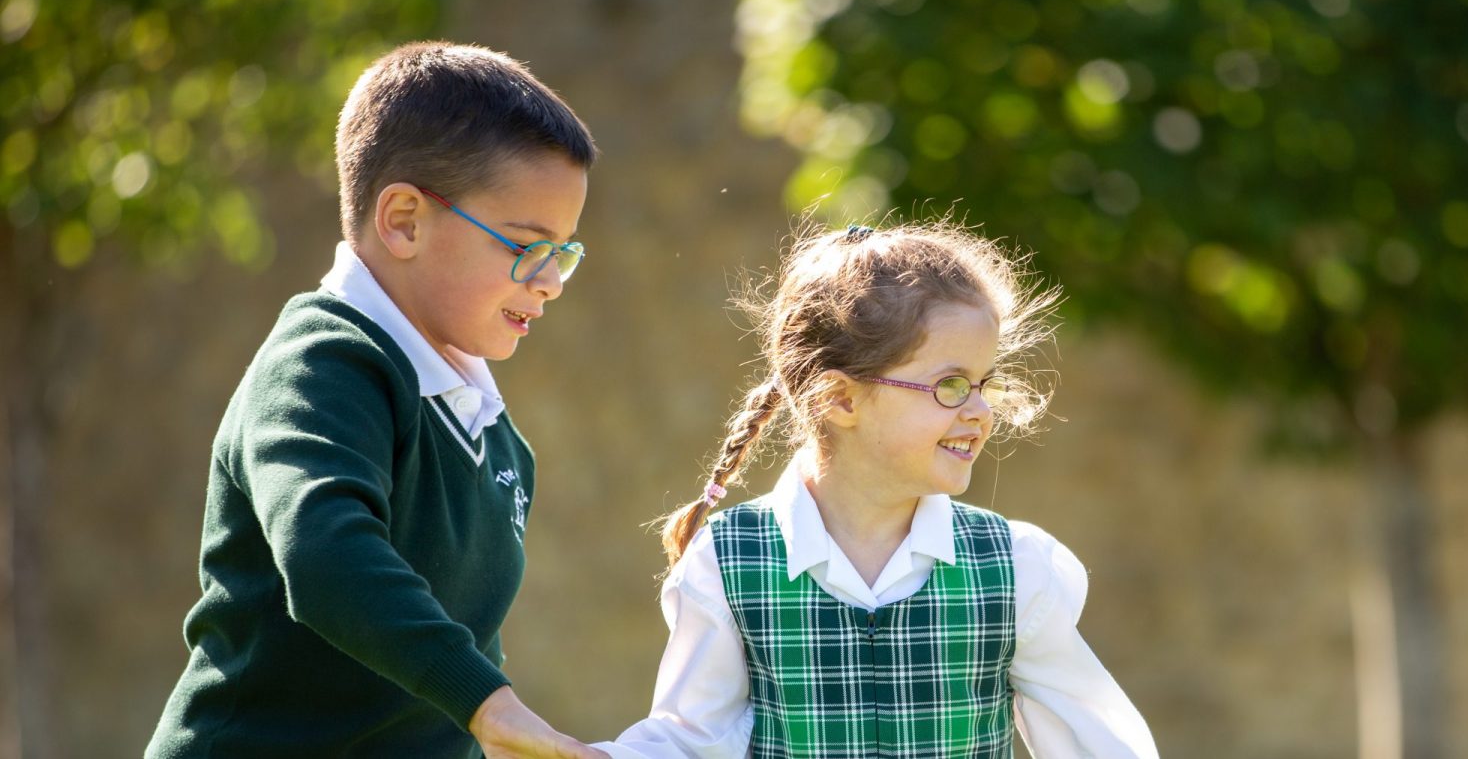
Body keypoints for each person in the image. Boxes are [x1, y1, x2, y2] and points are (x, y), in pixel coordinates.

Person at [147, 41, 607, 759]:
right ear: (403, 220)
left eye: (565, 253)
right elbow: (327, 552)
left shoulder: (496, 435)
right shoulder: (325, 361)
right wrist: (486, 705)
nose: (548, 281)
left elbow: (433, 682)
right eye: (527, 246)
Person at [595, 222, 1158, 757]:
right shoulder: (728, 560)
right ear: (839, 399)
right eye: (951, 386)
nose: (981, 412)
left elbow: (1099, 744)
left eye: (985, 384)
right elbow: (689, 741)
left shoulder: (1016, 567)